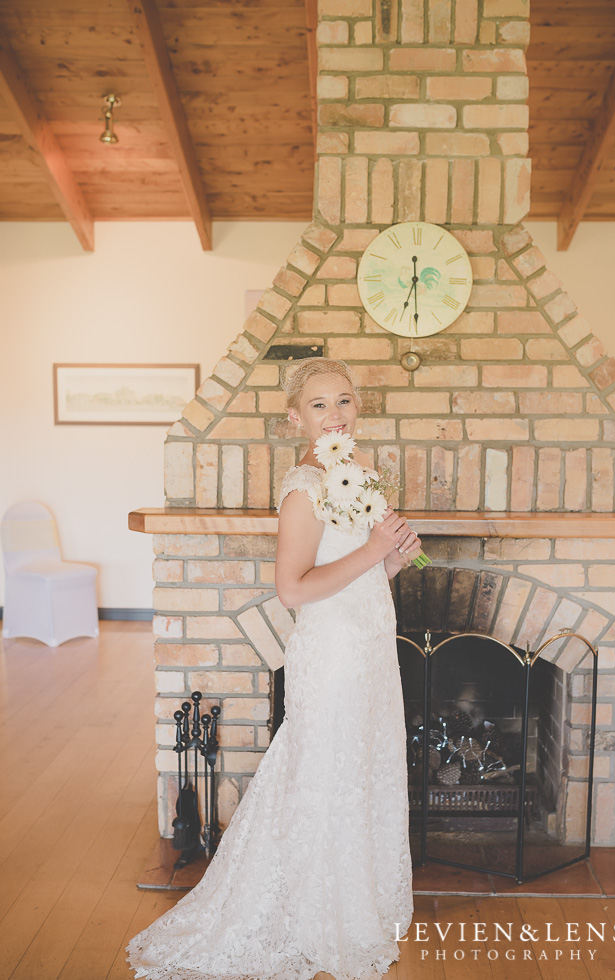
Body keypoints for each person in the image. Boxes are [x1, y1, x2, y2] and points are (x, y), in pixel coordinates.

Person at [126, 356, 422, 980]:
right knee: (324, 774)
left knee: (363, 769)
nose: (335, 415)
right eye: (319, 405)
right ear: (295, 418)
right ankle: (312, 914)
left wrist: (392, 558)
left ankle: (356, 906)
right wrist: (372, 547)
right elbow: (293, 589)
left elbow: (365, 572)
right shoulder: (302, 488)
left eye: (344, 401)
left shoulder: (363, 474)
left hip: (372, 645)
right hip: (333, 655)